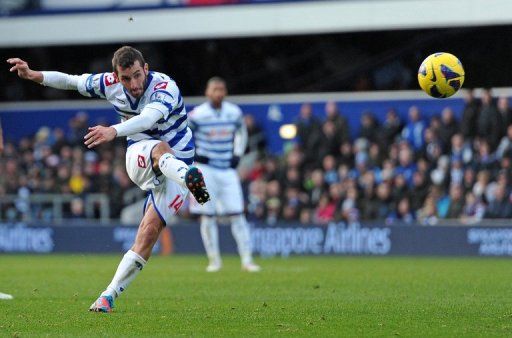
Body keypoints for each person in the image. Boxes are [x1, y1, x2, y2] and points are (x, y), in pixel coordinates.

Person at [7, 46, 211, 313]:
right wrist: (34, 75)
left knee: (148, 234)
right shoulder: (108, 83)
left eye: (138, 75)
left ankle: (108, 295)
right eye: (126, 78)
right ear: (117, 76)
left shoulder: (165, 87)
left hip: (179, 160)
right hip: (141, 154)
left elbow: (149, 117)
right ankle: (189, 178)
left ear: (146, 69)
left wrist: (112, 131)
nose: (134, 84)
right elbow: (72, 81)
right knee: (159, 148)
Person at [188, 77, 260, 273]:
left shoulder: (234, 112)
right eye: (214, 89)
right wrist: (193, 154)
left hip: (227, 170)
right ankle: (214, 261)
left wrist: (238, 153)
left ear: (225, 92)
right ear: (207, 92)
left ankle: (247, 260)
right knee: (207, 216)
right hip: (204, 170)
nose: (218, 93)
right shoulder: (198, 114)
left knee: (238, 214)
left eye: (221, 89)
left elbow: (242, 132)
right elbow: (183, 134)